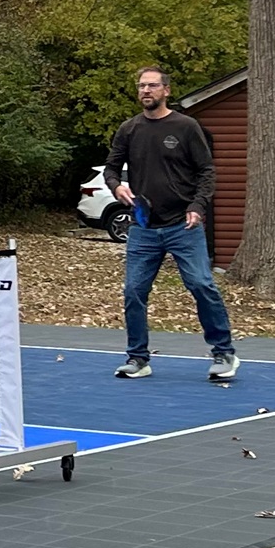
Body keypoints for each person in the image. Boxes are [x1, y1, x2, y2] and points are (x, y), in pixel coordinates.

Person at [105, 66, 238, 384]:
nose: (145, 91)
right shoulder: (129, 129)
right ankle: (138, 358)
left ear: (166, 90)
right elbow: (111, 168)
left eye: (152, 85)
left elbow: (206, 172)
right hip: (144, 228)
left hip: (184, 226)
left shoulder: (187, 127)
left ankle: (223, 352)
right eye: (141, 86)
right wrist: (116, 186)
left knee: (201, 285)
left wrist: (197, 206)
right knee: (134, 291)